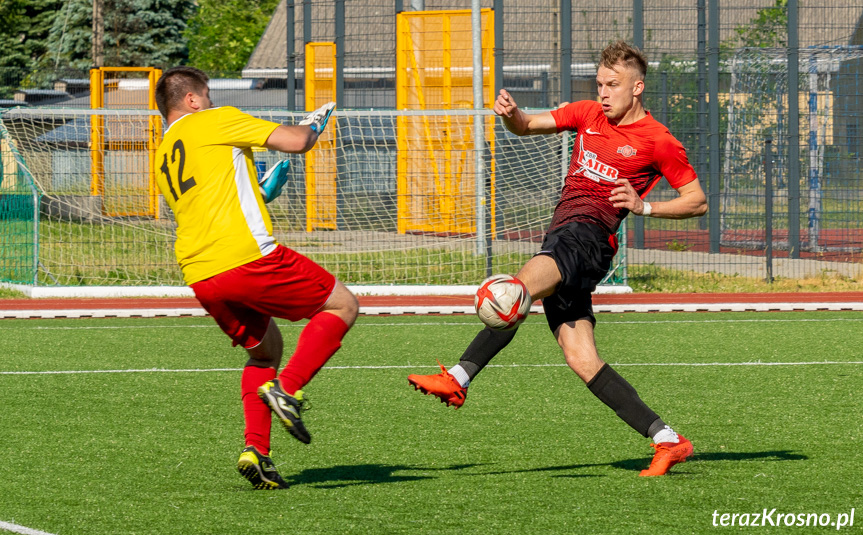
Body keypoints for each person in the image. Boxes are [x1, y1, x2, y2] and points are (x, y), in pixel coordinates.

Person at [408, 41, 707, 477]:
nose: (603, 92)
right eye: (600, 83)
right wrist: (512, 114)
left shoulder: (658, 140)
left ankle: (458, 378)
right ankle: (668, 440)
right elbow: (527, 125)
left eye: (613, 84)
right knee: (581, 356)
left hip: (588, 240)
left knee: (514, 293)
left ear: (637, 87)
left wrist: (646, 208)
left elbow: (696, 201)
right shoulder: (587, 113)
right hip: (565, 235)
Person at [154, 66, 358, 490]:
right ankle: (289, 390)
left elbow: (210, 199)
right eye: (206, 95)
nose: (209, 101)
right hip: (245, 256)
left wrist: (261, 190)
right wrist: (314, 123)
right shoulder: (214, 119)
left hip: (200, 271)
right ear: (192, 100)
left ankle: (256, 452)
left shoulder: (163, 151)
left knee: (265, 352)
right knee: (343, 304)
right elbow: (297, 142)